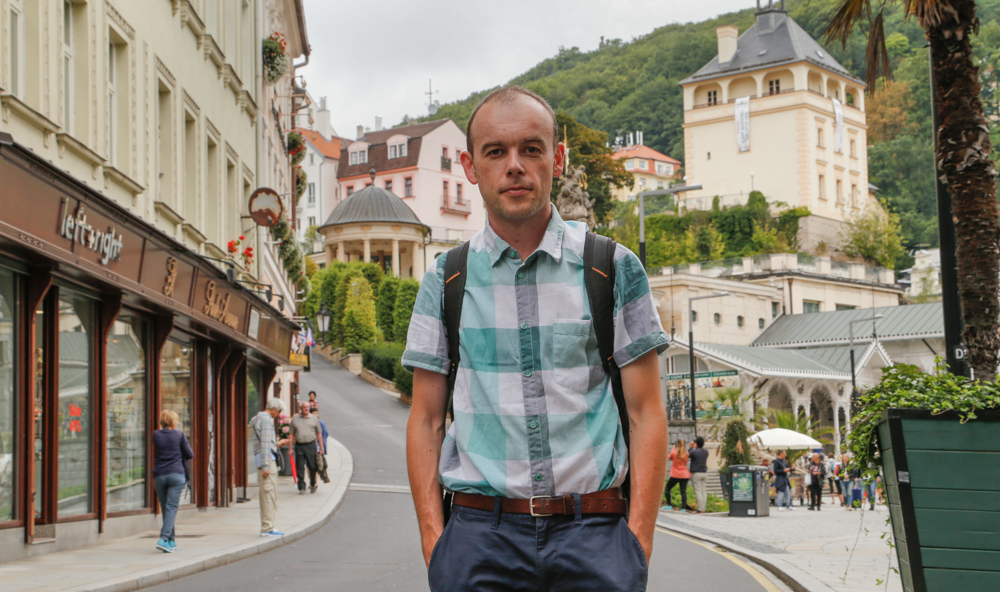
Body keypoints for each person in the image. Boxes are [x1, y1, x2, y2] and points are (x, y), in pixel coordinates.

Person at [403, 85, 669, 592]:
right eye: (495, 151)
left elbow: (646, 412)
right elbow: (427, 418)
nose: (515, 166)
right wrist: (435, 541)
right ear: (469, 164)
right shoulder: (446, 280)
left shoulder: (612, 268)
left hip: (594, 537)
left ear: (557, 158)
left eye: (531, 148)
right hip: (479, 540)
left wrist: (637, 542)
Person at [152, 410, 194, 553]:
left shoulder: (155, 434)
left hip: (159, 475)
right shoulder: (179, 434)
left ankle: (171, 541)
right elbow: (190, 454)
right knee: (171, 507)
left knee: (166, 508)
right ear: (174, 421)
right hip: (176, 475)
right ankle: (163, 539)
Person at [251, 398, 289, 537]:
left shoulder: (258, 418)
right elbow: (266, 444)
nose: (278, 414)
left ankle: (267, 526)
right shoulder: (266, 420)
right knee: (269, 494)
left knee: (267, 494)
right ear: (273, 408)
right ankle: (268, 528)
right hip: (267, 461)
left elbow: (265, 442)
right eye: (278, 411)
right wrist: (266, 466)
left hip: (262, 458)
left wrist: (277, 443)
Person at [291, 401, 323, 494]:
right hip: (299, 445)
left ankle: (313, 483)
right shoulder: (295, 419)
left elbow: (319, 434)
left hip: (311, 445)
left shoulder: (314, 418)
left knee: (312, 466)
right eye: (304, 407)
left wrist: (321, 448)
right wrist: (290, 449)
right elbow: (291, 434)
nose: (306, 408)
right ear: (300, 408)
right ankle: (301, 486)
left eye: (308, 407)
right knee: (300, 466)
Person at [663, 439, 691, 512]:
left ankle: (669, 504)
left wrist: (673, 448)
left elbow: (669, 457)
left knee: (667, 488)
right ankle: (683, 508)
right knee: (683, 491)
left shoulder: (674, 452)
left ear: (677, 444)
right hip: (685, 474)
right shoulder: (686, 453)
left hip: (676, 474)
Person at [689, 436, 710, 513]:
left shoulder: (694, 451)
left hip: (696, 472)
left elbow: (687, 455)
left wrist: (691, 447)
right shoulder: (706, 451)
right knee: (703, 491)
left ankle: (700, 509)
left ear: (696, 443)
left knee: (698, 491)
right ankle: (703, 508)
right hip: (704, 472)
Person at [311, 406, 331, 483]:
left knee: (319, 465)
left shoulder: (320, 422)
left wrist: (322, 444)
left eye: (316, 413)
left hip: (318, 447)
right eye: (314, 413)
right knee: (312, 466)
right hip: (311, 446)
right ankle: (313, 482)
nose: (315, 414)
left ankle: (315, 482)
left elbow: (326, 433)